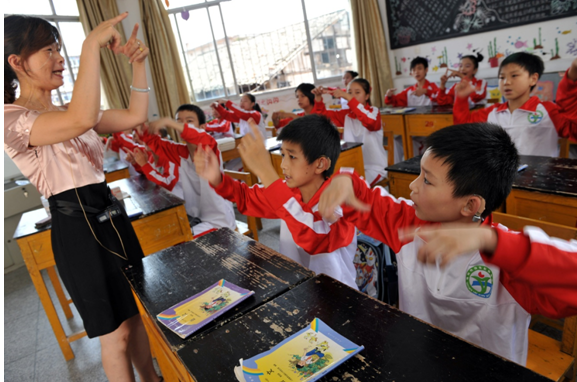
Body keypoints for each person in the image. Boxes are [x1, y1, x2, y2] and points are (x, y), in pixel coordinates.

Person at [315, 122, 577, 365]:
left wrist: (492, 241)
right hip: (417, 364)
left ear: (470, 205)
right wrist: (344, 181)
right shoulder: (408, 226)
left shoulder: (509, 259)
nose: (413, 187)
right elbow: (363, 197)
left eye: (427, 180)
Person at [4, 14, 162, 382]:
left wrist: (138, 66)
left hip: (112, 218)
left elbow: (135, 114)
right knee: (115, 334)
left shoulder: (67, 111)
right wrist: (91, 46)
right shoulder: (12, 118)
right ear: (17, 62)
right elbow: (82, 118)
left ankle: (152, 379)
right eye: (49, 50)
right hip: (78, 231)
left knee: (136, 317)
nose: (59, 58)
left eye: (59, 48)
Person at [194, 116, 359, 288]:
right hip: (300, 288)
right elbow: (246, 197)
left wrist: (266, 172)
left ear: (320, 164)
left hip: (337, 295)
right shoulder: (288, 193)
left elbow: (315, 237)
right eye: (283, 155)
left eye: (292, 157)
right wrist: (218, 179)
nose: (283, 165)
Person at [137, 104, 237, 237]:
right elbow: (157, 143)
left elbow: (197, 136)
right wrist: (142, 129)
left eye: (189, 121)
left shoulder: (209, 146)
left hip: (218, 221)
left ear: (202, 127)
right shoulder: (180, 152)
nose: (183, 125)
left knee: (176, 241)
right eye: (179, 121)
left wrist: (168, 121)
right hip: (196, 217)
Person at [453, 52, 577, 157]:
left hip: (538, 182)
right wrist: (461, 98)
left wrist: (572, 75)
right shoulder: (493, 112)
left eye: (514, 76)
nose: (506, 82)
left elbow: (573, 128)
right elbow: (463, 127)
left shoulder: (548, 111)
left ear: (533, 79)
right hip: (501, 181)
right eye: (502, 77)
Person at [312, 79, 388, 187]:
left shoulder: (373, 111)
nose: (352, 96)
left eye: (357, 92)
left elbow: (370, 122)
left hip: (374, 167)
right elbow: (321, 116)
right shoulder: (347, 115)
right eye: (350, 93)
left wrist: (347, 96)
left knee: (354, 188)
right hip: (352, 166)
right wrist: (318, 99)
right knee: (332, 185)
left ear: (367, 96)